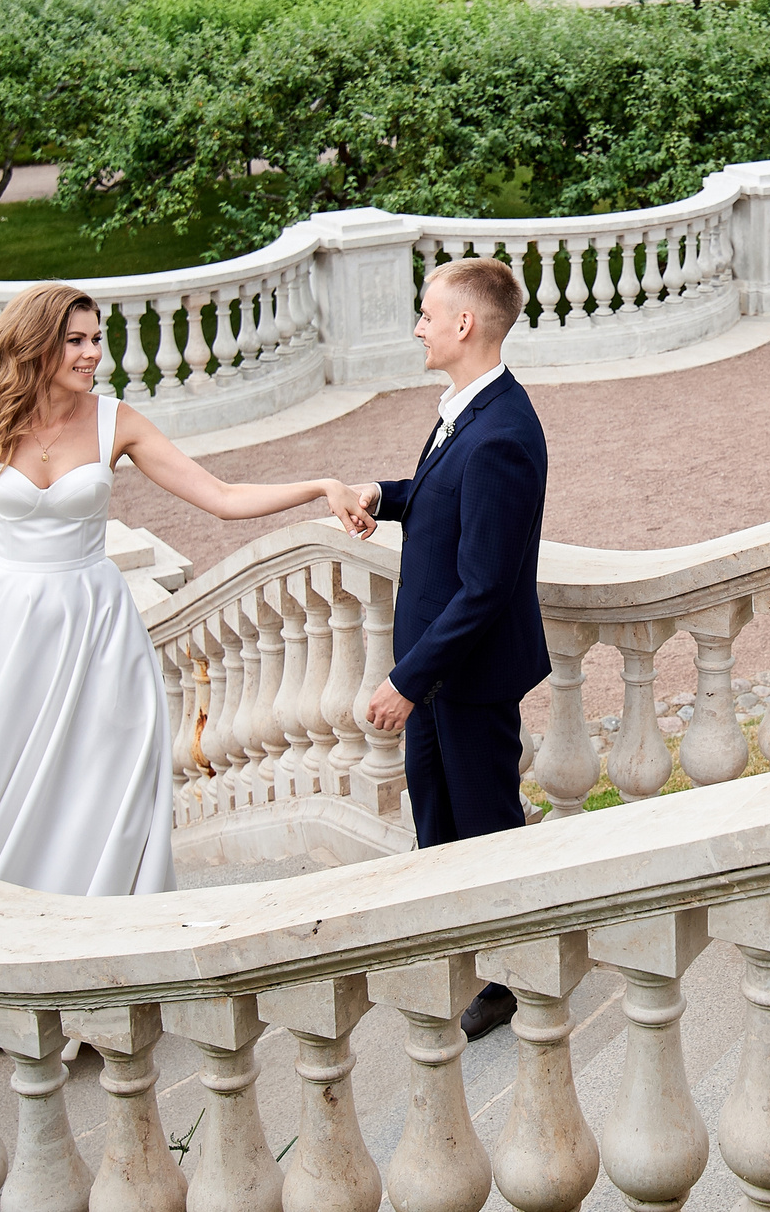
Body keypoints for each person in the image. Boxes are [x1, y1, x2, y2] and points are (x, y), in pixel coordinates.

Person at [0, 281, 362, 897]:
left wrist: (320, 486)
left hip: (95, 629)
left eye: (97, 339)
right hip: (7, 625)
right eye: (75, 341)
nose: (93, 353)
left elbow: (221, 498)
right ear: (37, 345)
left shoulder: (117, 421)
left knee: (100, 781)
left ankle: (104, 915)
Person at [336, 256, 550, 1040]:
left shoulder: (502, 434)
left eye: (427, 313)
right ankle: (466, 949)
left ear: (465, 324)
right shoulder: (466, 407)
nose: (418, 326)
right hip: (434, 673)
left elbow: (486, 587)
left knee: (487, 825)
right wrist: (384, 496)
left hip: (464, 676)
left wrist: (407, 679)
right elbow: (442, 498)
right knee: (437, 819)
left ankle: (512, 974)